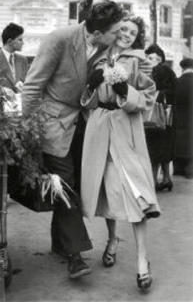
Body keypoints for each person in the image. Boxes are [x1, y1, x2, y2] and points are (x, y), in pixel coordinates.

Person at [22, 0, 126, 280]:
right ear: (97, 33)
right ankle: (76, 256)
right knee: (65, 184)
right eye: (115, 31)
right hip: (53, 124)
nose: (120, 36)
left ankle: (59, 243)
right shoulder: (60, 39)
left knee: (75, 184)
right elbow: (32, 86)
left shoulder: (106, 48)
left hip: (84, 125)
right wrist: (29, 131)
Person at [81, 14, 160, 290]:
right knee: (108, 190)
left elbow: (149, 97)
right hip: (100, 130)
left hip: (126, 132)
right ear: (114, 31)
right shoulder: (98, 59)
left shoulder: (140, 61)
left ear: (137, 37)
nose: (126, 34)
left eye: (132, 31)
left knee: (137, 194)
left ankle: (142, 260)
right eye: (123, 29)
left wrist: (125, 91)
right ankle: (113, 239)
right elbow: (88, 103)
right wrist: (91, 86)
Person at [144, 44, 176, 191]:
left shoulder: (154, 71)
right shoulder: (169, 71)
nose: (153, 60)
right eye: (150, 57)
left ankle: (154, 181)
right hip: (167, 116)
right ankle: (167, 179)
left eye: (157, 58)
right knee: (165, 147)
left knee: (154, 148)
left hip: (154, 117)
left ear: (161, 60)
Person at [174, 58, 193, 179]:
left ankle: (178, 170)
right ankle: (190, 171)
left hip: (180, 117)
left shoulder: (177, 81)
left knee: (180, 142)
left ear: (182, 68)